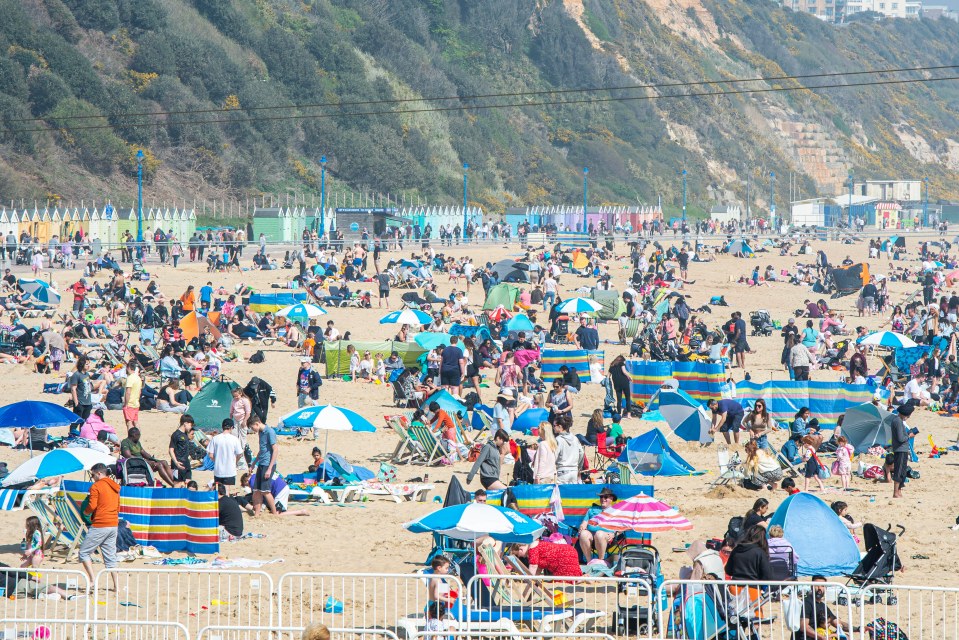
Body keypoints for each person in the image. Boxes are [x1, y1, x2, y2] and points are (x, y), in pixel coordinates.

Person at [79, 463, 120, 591]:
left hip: (101, 523)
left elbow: (92, 505)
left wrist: (86, 512)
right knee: (110, 557)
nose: (92, 477)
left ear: (99, 473)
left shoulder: (96, 486)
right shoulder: (115, 486)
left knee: (84, 552)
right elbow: (118, 506)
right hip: (113, 523)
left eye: (93, 475)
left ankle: (92, 581)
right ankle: (117, 587)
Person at [794, 575, 852, 640]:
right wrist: (822, 637)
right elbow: (803, 627)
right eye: (816, 585)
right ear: (811, 587)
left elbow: (837, 623)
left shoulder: (822, 605)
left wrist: (858, 628)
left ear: (825, 588)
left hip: (820, 635)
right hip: (808, 637)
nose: (819, 588)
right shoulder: (806, 602)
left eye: (822, 586)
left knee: (847, 637)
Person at [578, 487, 617, 562]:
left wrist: (614, 534)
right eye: (601, 497)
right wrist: (582, 527)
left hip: (606, 536)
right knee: (583, 534)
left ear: (611, 499)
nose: (603, 499)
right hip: (591, 535)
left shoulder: (615, 511)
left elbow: (621, 527)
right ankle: (589, 562)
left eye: (605, 497)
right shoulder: (592, 509)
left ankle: (600, 561)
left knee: (599, 534)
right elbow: (584, 523)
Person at [250, 414, 279, 515]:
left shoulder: (270, 432)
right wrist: (253, 463)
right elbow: (262, 450)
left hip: (268, 464)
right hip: (261, 463)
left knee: (265, 491)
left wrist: (270, 468)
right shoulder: (261, 432)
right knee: (257, 490)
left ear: (257, 424)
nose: (252, 430)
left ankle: (274, 513)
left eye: (252, 427)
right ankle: (257, 514)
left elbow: (275, 450)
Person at [512, 540, 583, 577]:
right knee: (574, 577)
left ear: (521, 549)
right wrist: (535, 578)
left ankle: (583, 579)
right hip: (567, 551)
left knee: (568, 578)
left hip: (564, 555)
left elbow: (533, 566)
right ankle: (584, 578)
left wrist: (528, 579)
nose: (519, 556)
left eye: (517, 554)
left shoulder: (532, 549)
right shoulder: (533, 548)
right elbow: (538, 569)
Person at [208, 418, 244, 486]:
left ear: (222, 427)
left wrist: (217, 462)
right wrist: (235, 462)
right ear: (231, 427)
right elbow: (240, 454)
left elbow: (210, 455)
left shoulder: (215, 438)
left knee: (218, 491)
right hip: (230, 470)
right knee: (227, 491)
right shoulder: (234, 439)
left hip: (218, 470)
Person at [890, 403, 914, 498]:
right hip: (900, 449)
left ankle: (898, 491)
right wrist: (909, 436)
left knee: (902, 471)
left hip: (901, 449)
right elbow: (901, 438)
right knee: (899, 471)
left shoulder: (897, 420)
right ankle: (896, 492)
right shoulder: (898, 421)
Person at [554, 418, 583, 484]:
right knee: (572, 493)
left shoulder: (558, 439)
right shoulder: (575, 438)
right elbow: (581, 452)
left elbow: (555, 455)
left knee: (561, 493)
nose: (553, 428)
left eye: (554, 426)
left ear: (560, 427)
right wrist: (578, 466)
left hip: (562, 470)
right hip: (574, 470)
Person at [169, 414, 195, 482]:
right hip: (178, 464)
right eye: (190, 425)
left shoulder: (186, 434)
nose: (191, 427)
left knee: (188, 483)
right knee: (177, 484)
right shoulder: (176, 434)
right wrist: (176, 462)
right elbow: (171, 450)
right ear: (185, 423)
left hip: (186, 463)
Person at [68, 355, 94, 420]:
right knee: (76, 421)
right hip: (80, 402)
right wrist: (76, 403)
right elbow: (73, 389)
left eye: (89, 364)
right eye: (87, 364)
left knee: (84, 423)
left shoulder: (87, 374)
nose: (88, 366)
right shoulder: (76, 375)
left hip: (88, 402)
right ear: (82, 364)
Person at [122, 360, 142, 429]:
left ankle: (130, 438)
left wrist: (126, 404)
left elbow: (128, 392)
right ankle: (138, 436)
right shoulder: (138, 378)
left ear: (128, 368)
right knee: (135, 421)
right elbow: (139, 392)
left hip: (130, 403)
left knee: (129, 422)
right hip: (136, 403)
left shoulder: (130, 378)